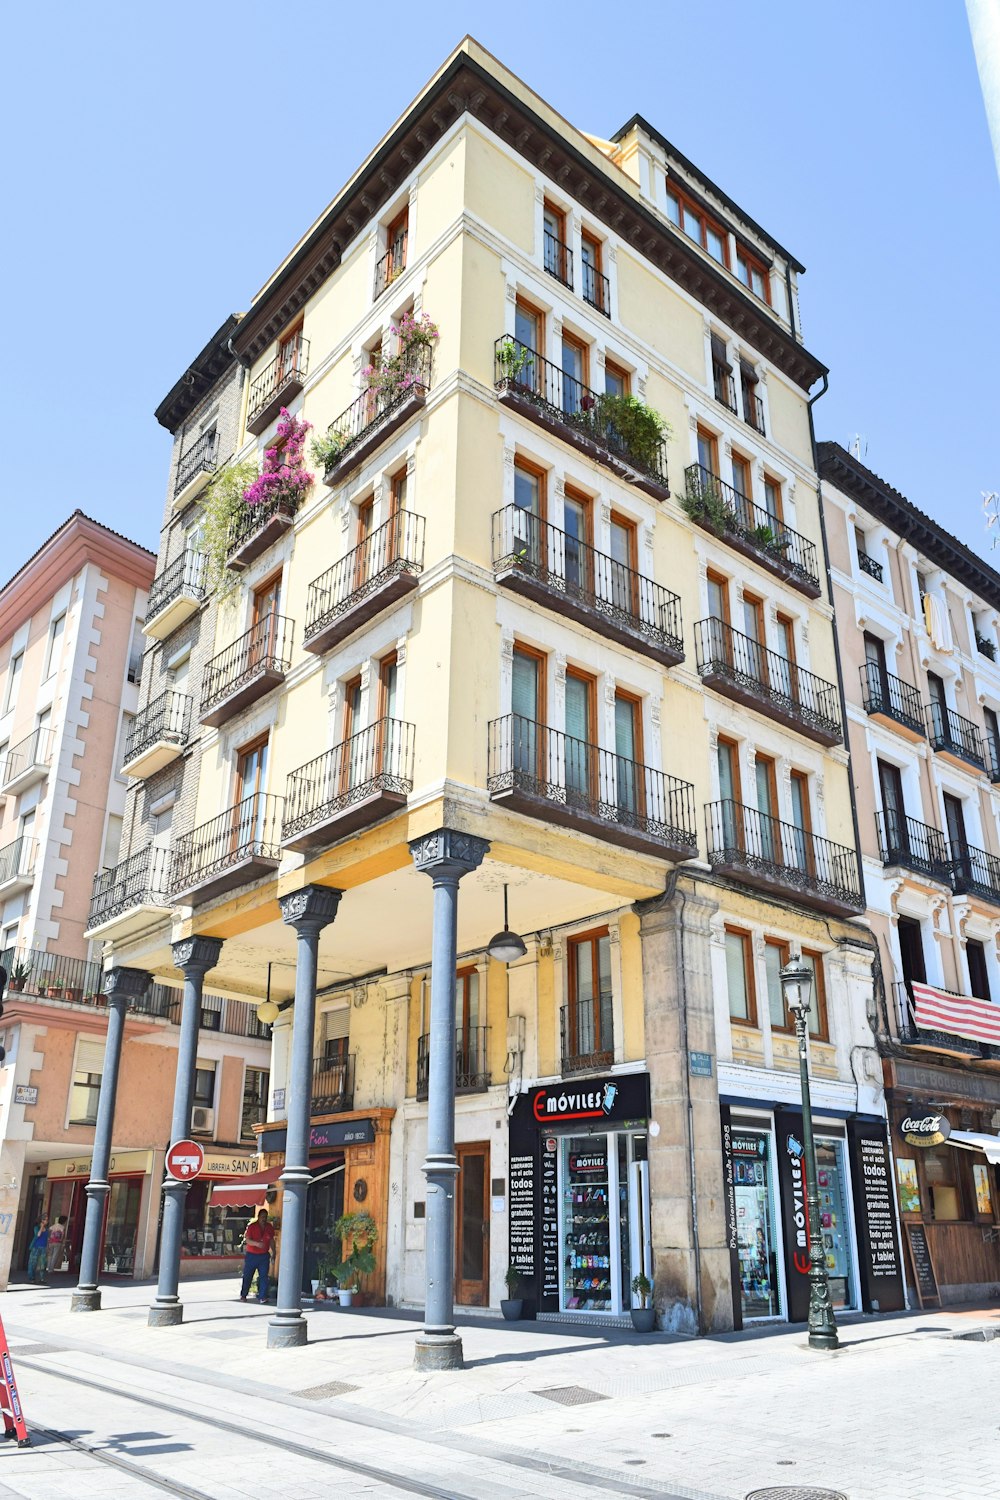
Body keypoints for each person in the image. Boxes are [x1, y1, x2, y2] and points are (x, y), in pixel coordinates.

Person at [240, 1208, 275, 1302]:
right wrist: (257, 1244)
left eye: (265, 1217)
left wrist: (274, 1252)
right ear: (258, 1217)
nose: (264, 1219)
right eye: (262, 1217)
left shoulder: (269, 1227)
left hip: (264, 1256)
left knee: (264, 1276)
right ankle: (243, 1295)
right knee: (247, 1276)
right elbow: (247, 1240)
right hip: (252, 1255)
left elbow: (271, 1240)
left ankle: (262, 1297)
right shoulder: (252, 1226)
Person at [27, 1218, 49, 1284]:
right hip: (36, 1247)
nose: (47, 1221)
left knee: (43, 1263)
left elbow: (47, 1238)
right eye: (45, 1220)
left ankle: (42, 1278)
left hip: (44, 1247)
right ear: (42, 1221)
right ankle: (31, 1278)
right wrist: (41, 1227)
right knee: (33, 1263)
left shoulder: (47, 1229)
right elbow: (38, 1235)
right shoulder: (36, 1228)